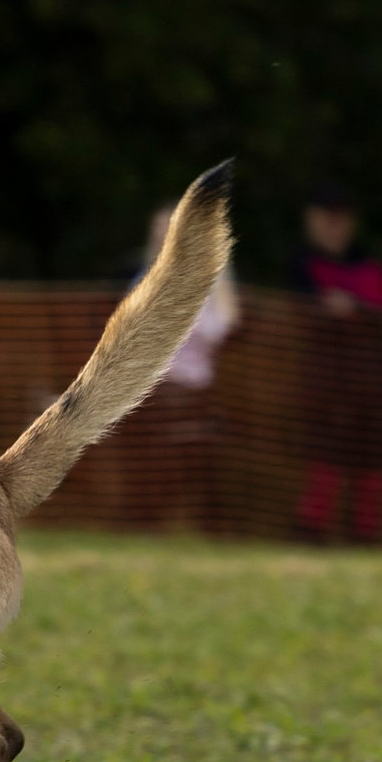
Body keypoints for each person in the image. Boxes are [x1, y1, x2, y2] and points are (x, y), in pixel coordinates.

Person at [288, 182, 382, 542]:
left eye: (340, 217)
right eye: (326, 217)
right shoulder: (301, 265)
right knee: (326, 450)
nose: (333, 225)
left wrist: (354, 309)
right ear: (311, 220)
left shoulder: (368, 265)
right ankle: (313, 526)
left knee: (372, 454)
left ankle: (366, 531)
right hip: (324, 379)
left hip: (370, 381)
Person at [117, 201, 239, 529]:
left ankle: (190, 523)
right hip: (152, 393)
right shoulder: (143, 281)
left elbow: (226, 327)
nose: (164, 239)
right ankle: (148, 519)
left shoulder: (213, 281)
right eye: (159, 233)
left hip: (199, 393)